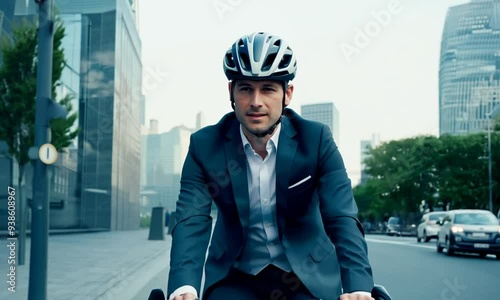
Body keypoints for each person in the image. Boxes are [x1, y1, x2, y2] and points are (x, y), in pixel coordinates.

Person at [167, 32, 374, 300]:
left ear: (287, 94)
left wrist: (358, 286)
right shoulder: (204, 146)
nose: (256, 102)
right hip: (236, 276)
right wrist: (184, 287)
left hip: (304, 276)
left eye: (267, 89)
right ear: (231, 92)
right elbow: (190, 220)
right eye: (245, 89)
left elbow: (342, 216)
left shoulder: (317, 140)